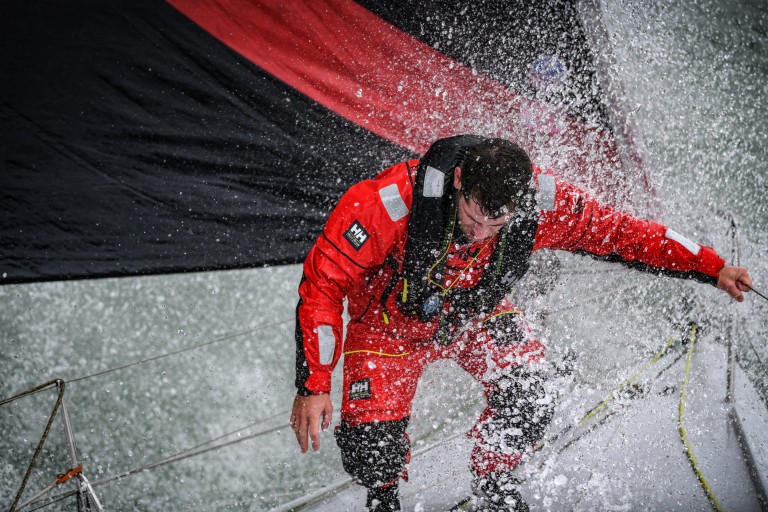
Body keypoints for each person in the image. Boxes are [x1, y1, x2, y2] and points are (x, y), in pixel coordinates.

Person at [289, 135, 753, 511]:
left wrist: (712, 268)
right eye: (472, 219)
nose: (479, 235)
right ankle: (383, 497)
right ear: (457, 181)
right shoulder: (387, 203)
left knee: (530, 395)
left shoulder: (542, 204)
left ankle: (492, 478)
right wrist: (314, 384)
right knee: (370, 449)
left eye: (496, 227)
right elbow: (322, 286)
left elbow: (624, 235)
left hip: (476, 314)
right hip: (389, 329)